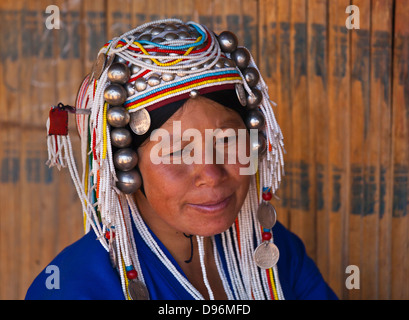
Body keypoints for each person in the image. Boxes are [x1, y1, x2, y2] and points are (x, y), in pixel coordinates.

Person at [26, 19, 337, 300]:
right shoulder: (73, 288)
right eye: (176, 151)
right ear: (125, 164)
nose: (212, 174)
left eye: (227, 141)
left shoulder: (275, 251)